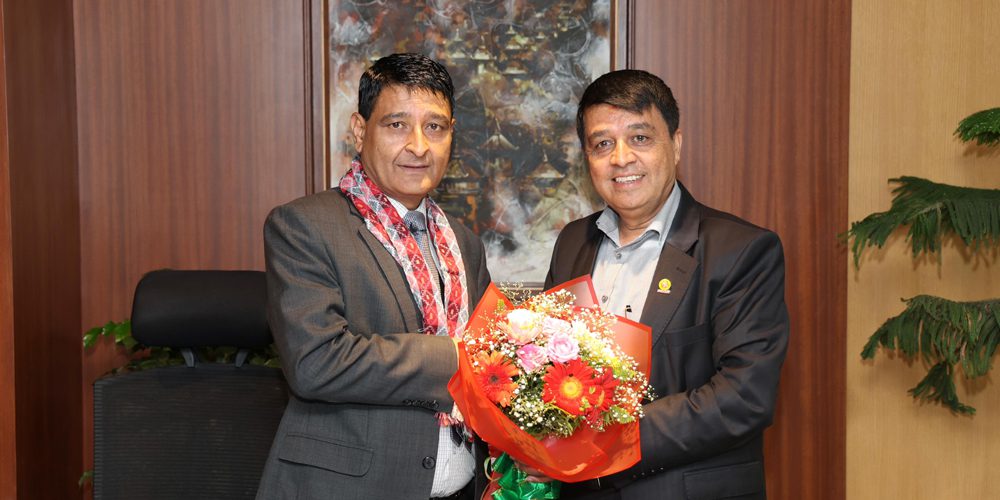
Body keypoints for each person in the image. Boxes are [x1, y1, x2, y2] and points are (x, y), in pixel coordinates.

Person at [543, 69, 790, 499]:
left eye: (640, 138)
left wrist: (609, 441)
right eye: (603, 144)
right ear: (588, 158)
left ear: (675, 145)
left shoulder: (741, 250)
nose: (621, 158)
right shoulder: (572, 243)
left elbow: (744, 396)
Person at [256, 53, 491, 500]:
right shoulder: (304, 226)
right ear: (360, 130)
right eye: (397, 125)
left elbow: (489, 371)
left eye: (435, 127)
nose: (418, 146)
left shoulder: (464, 244)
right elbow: (315, 363)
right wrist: (455, 356)